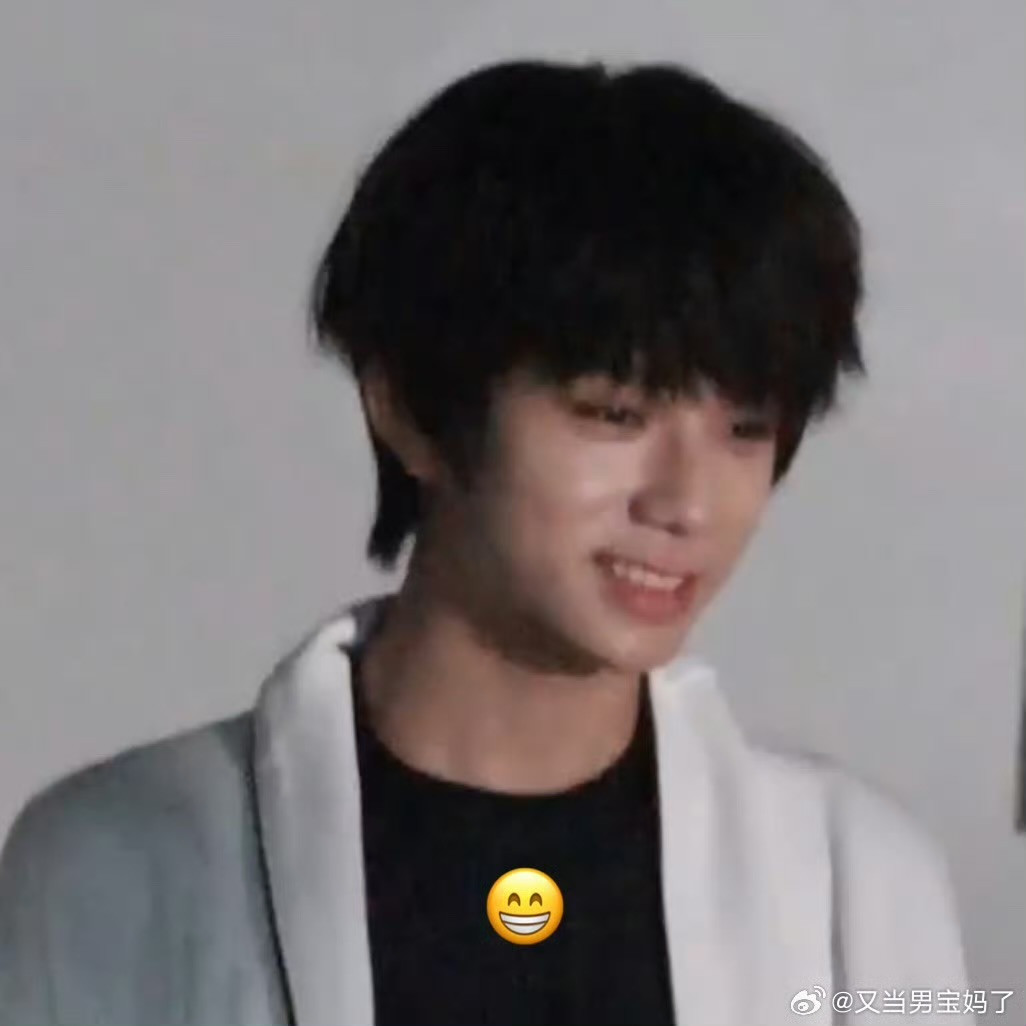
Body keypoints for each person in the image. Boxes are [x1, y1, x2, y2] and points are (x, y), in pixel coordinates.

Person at [0, 59, 973, 1026]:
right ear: (410, 410)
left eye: (746, 431)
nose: (688, 502)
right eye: (614, 413)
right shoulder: (118, 864)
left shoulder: (858, 882)